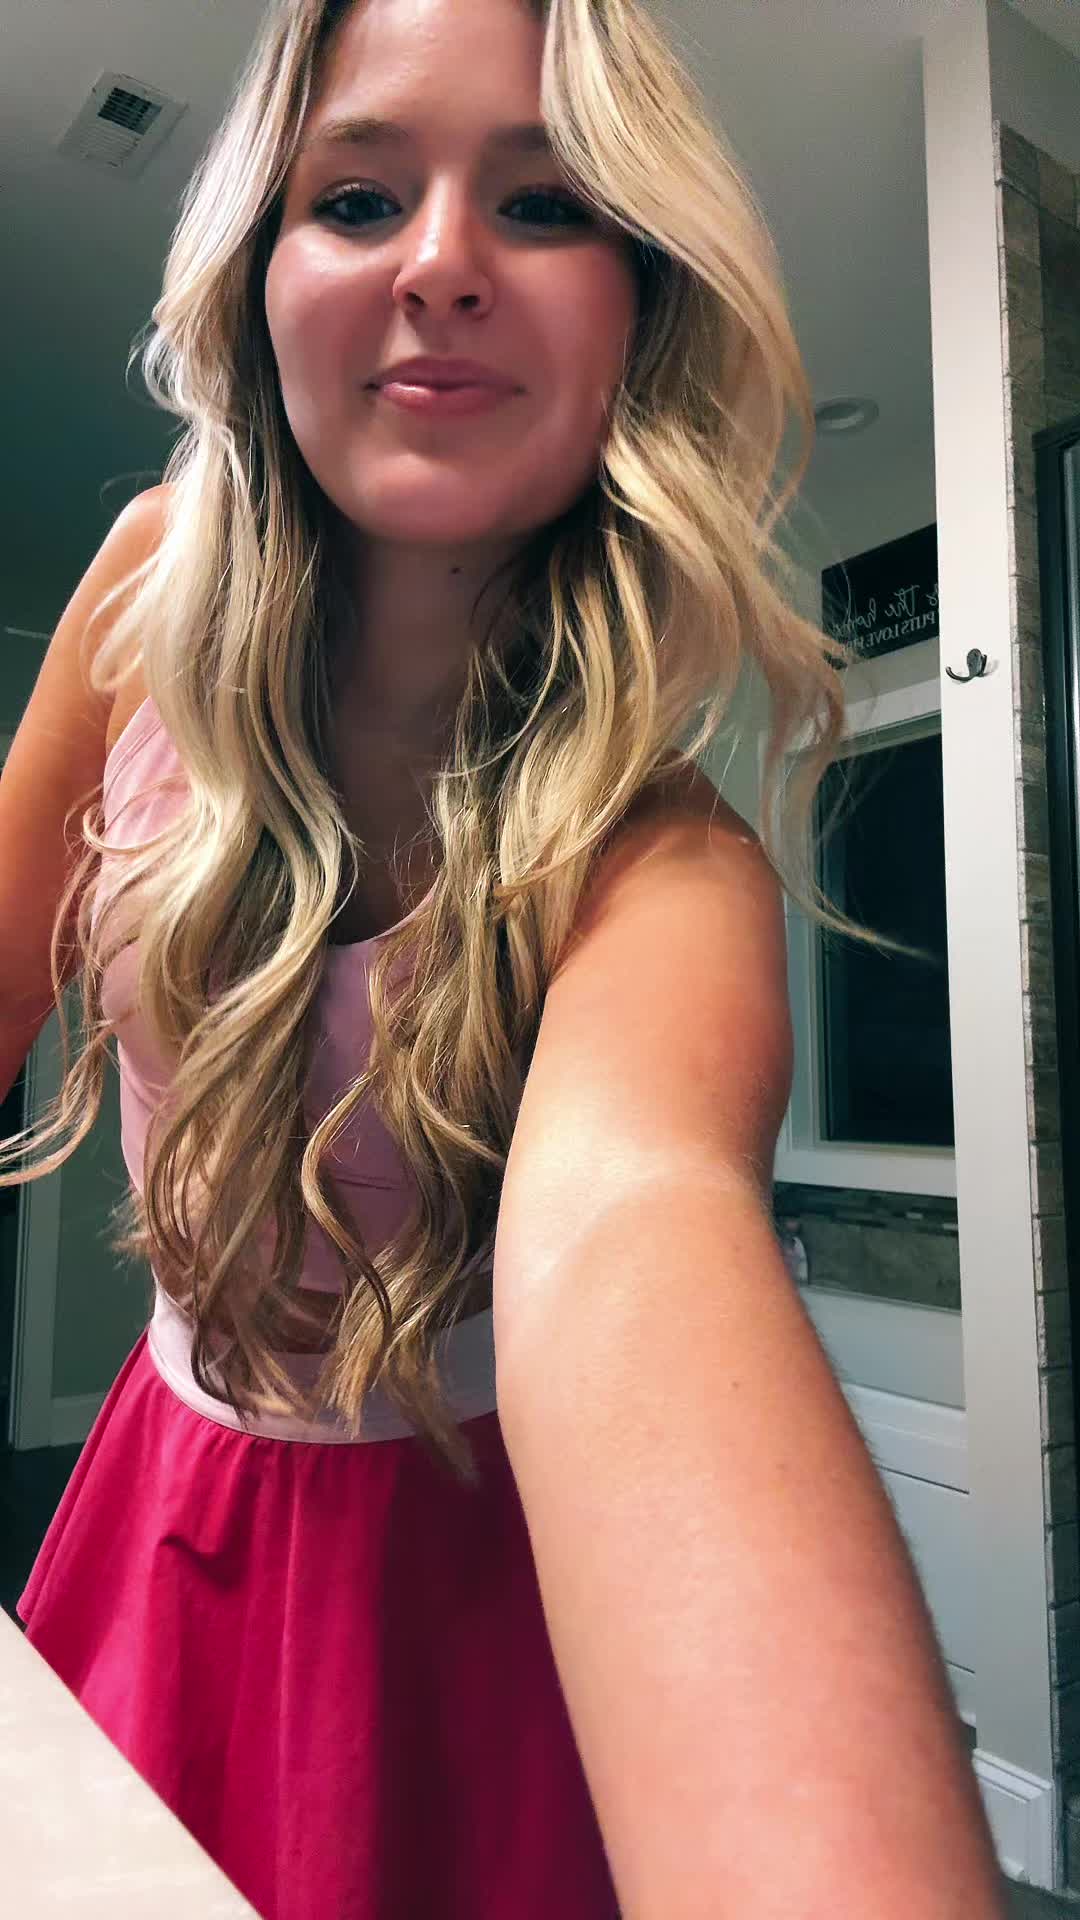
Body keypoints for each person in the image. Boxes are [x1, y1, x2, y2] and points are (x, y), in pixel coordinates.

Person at [0, 1, 1011, 1916]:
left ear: (640, 311)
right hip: (161, 1515)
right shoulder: (142, 587)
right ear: (260, 277)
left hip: (477, 1614)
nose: (444, 264)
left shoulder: (668, 874)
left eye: (546, 208)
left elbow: (641, 1229)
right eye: (357, 196)